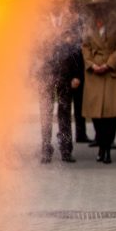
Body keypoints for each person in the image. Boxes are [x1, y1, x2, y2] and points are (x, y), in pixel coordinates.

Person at [81, 0, 116, 165]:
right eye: (96, 6)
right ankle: (100, 145)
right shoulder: (88, 24)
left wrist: (109, 64)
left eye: (103, 6)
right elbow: (84, 46)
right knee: (96, 115)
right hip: (94, 73)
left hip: (110, 72)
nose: (100, 9)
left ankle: (107, 148)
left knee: (110, 113)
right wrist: (91, 64)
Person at [39, 9, 83, 163]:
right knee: (46, 114)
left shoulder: (70, 19)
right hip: (46, 76)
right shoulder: (40, 21)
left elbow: (77, 48)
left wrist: (77, 74)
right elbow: (34, 50)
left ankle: (65, 149)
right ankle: (46, 149)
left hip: (66, 74)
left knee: (64, 115)